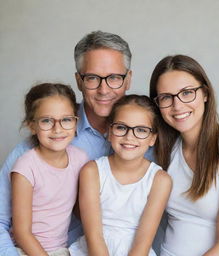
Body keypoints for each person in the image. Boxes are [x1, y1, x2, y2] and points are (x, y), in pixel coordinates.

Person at [0, 31, 132, 256]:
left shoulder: (145, 137)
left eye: (114, 77)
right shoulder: (32, 152)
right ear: (79, 81)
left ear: (128, 79)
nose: (104, 89)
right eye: (92, 78)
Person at [149, 54, 219, 255]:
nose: (177, 105)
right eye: (166, 97)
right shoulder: (164, 150)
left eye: (187, 93)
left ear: (205, 93)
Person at [69, 94, 172, 256]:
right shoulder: (92, 172)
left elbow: (143, 242)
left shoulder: (160, 180)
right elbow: (94, 236)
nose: (129, 136)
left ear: (152, 138)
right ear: (110, 132)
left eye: (141, 130)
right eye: (121, 127)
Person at [11, 83, 89, 256]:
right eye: (47, 120)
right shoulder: (25, 167)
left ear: (76, 122)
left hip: (60, 249)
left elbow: (81, 207)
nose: (58, 129)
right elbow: (21, 233)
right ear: (32, 126)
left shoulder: (80, 159)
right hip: (25, 250)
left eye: (66, 119)